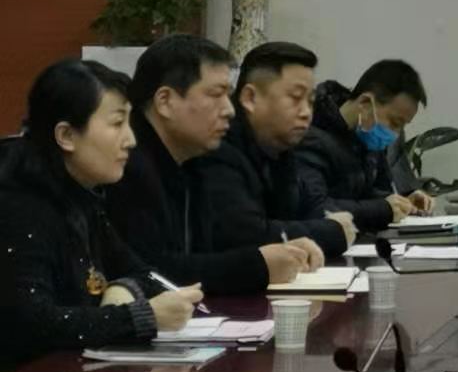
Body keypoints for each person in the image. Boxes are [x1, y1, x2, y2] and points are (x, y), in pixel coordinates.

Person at [0, 60, 203, 370]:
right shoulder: (19, 207)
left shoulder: (80, 195)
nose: (131, 140)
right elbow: (31, 323)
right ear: (66, 135)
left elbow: (144, 273)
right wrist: (139, 317)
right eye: (117, 123)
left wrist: (124, 289)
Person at [105, 34, 322, 294]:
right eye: (216, 95)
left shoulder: (194, 160)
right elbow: (151, 271)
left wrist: (282, 252)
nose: (229, 110)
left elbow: (207, 252)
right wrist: (257, 265)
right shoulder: (125, 166)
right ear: (165, 101)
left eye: (228, 96)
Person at [190, 42, 355, 256]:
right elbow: (246, 235)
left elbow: (311, 209)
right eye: (295, 98)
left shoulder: (281, 148)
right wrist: (331, 232)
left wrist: (332, 223)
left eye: (310, 101)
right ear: (250, 98)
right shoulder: (218, 147)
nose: (306, 112)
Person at [295, 60, 435, 234]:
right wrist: (383, 209)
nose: (395, 134)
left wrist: (404, 202)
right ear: (365, 103)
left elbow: (369, 194)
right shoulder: (308, 137)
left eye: (402, 126)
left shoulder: (367, 137)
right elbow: (315, 208)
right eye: (394, 122)